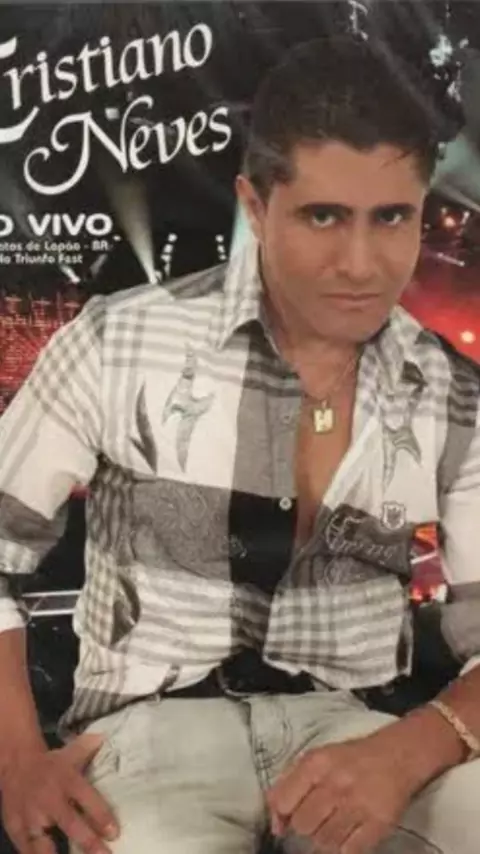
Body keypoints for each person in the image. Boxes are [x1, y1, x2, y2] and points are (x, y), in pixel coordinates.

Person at [0, 32, 479, 854]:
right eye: (323, 216)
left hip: (358, 734)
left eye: (391, 217)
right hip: (149, 742)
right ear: (256, 208)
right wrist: (15, 760)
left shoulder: (451, 391)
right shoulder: (121, 341)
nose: (361, 263)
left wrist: (412, 749)